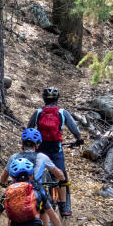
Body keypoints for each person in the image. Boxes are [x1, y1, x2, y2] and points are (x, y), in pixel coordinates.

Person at [0, 128, 67, 226]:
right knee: (45, 208)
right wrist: (60, 180)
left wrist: (3, 183)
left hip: (15, 192)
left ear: (22, 143)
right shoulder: (42, 157)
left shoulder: (13, 157)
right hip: (36, 191)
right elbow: (59, 174)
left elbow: (3, 178)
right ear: (38, 144)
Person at [27, 87, 83, 216]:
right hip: (55, 149)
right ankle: (64, 207)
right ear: (57, 99)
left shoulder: (38, 112)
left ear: (44, 99)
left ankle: (33, 200)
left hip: (40, 150)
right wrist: (79, 139)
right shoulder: (62, 112)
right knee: (61, 176)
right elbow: (74, 129)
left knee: (36, 175)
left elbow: (29, 129)